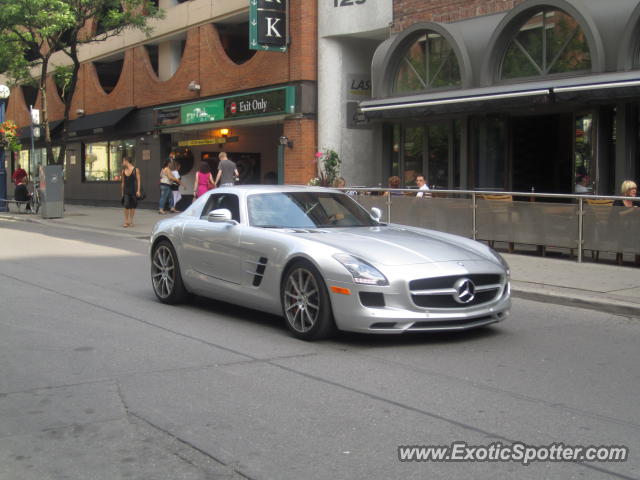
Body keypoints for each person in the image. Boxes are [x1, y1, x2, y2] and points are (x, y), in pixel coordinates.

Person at [120, 157, 141, 227]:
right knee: (126, 205)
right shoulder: (123, 171)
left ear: (126, 161)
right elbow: (123, 182)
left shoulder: (136, 170)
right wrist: (122, 192)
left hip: (133, 190)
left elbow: (138, 181)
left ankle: (131, 221)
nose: (122, 163)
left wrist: (138, 190)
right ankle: (126, 221)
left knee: (133, 206)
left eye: (123, 161)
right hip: (126, 190)